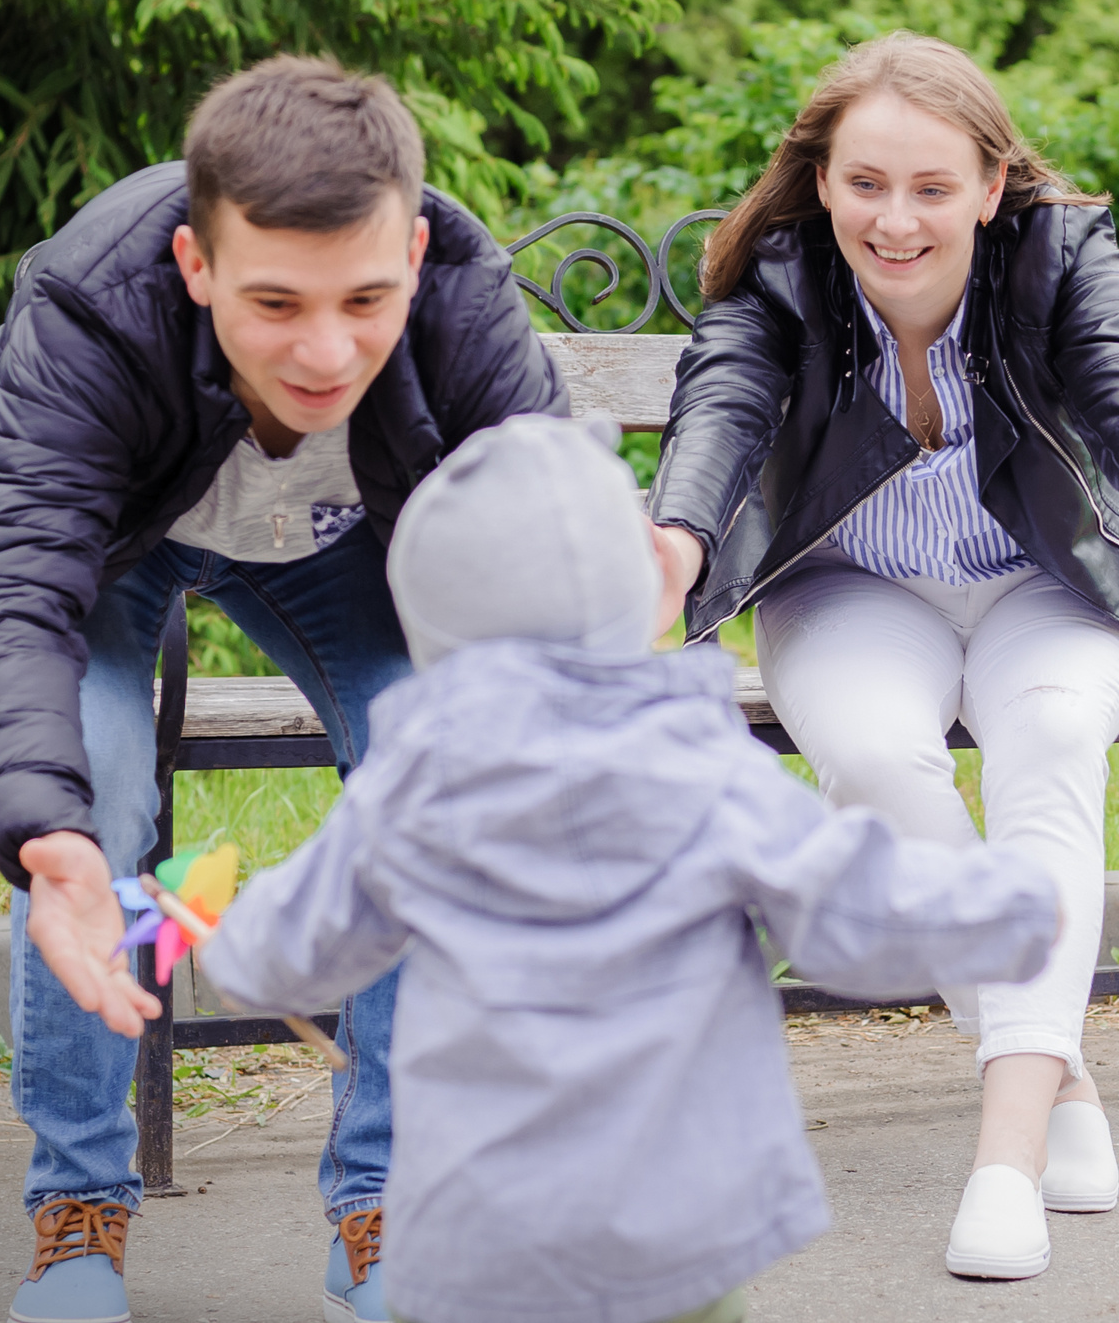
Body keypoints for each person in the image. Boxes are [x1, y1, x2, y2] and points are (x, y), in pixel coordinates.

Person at [645, 32, 1119, 1281]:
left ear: (991, 184)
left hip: (1047, 580)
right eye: (864, 184)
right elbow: (722, 404)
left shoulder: (1062, 253)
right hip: (854, 586)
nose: (894, 220)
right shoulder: (781, 272)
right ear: (823, 176)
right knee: (871, 764)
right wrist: (676, 538)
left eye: (930, 188)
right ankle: (1057, 1070)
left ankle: (1004, 1159)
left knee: (1052, 742)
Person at [0, 57, 569, 1323]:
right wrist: (51, 845)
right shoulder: (94, 304)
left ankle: (385, 1197)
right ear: (196, 262)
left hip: (333, 542)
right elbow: (14, 582)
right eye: (274, 301)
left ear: (416, 254)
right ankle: (75, 1211)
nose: (326, 352)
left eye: (366, 298)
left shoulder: (464, 305)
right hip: (115, 542)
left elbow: (546, 549)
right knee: (85, 812)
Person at [199, 414, 1064, 1323]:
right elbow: (850, 901)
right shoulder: (703, 765)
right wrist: (997, 910)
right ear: (644, 588)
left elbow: (295, 945)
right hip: (673, 1222)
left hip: (475, 1226)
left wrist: (232, 944)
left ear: (422, 611)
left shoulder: (410, 784)